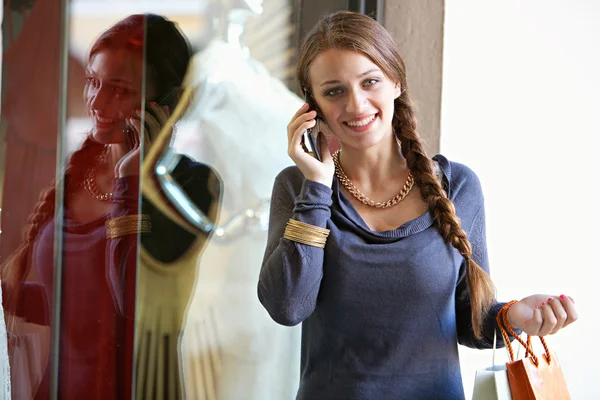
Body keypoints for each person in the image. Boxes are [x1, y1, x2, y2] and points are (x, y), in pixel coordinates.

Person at [257, 11, 578, 399]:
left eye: (370, 81)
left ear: (396, 81)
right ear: (313, 107)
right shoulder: (298, 188)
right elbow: (288, 307)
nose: (357, 105)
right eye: (334, 91)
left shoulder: (458, 186)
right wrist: (317, 187)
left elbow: (470, 322)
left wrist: (515, 316)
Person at [1, 14, 221, 399]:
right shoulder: (78, 172)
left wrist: (132, 179)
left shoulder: (191, 185)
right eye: (93, 82)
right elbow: (72, 306)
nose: (97, 103)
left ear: (166, 105)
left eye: (118, 90)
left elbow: (130, 301)